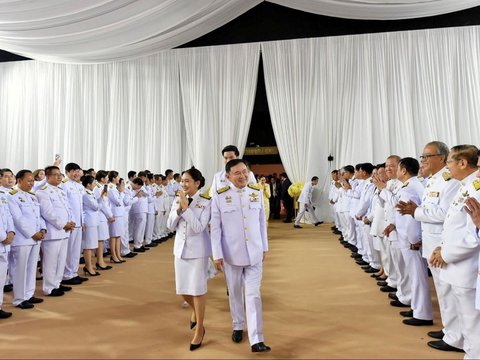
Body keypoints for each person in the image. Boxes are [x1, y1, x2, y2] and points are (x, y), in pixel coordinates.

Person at [396, 141, 463, 352]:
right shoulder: (434, 180)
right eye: (422, 156)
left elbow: (444, 214)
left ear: (441, 158)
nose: (423, 160)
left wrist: (415, 212)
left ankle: (455, 337)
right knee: (443, 292)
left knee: (449, 292)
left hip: (442, 245)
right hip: (431, 244)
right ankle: (449, 329)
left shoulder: (449, 182)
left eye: (427, 156)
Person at [210, 159, 271, 353]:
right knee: (235, 293)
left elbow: (262, 222)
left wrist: (264, 247)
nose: (243, 176)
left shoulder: (256, 192)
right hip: (231, 255)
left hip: (254, 253)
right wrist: (217, 254)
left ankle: (256, 339)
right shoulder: (220, 196)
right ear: (227, 176)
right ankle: (238, 324)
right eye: (237, 173)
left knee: (253, 295)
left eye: (245, 172)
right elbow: (215, 228)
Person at [430, 145, 480, 359]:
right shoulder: (466, 185)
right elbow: (455, 224)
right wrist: (442, 247)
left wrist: (446, 254)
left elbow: (473, 237)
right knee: (465, 321)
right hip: (458, 266)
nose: (446, 166)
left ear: (462, 163)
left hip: (466, 268)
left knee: (473, 324)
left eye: (449, 161)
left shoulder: (476, 188)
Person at [167, 167, 212, 351]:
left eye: (187, 181)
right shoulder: (178, 199)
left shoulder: (206, 202)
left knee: (198, 290)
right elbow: (170, 226)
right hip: (180, 250)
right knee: (183, 290)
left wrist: (186, 209)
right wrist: (179, 209)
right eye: (182, 181)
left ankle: (200, 329)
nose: (184, 184)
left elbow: (199, 227)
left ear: (197, 183)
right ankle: (195, 312)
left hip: (198, 251)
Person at [394, 157, 433, 326]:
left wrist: (414, 239)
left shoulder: (409, 189)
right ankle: (416, 307)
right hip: (408, 238)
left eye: (397, 168)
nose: (396, 171)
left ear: (403, 170)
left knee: (418, 277)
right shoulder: (411, 185)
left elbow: (411, 218)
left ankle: (422, 313)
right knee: (414, 275)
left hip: (410, 240)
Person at [8, 170, 46, 309]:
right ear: (19, 180)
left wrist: (43, 229)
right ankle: (19, 298)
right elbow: (18, 219)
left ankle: (29, 294)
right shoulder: (12, 196)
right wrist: (32, 233)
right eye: (29, 180)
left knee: (31, 268)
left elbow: (39, 215)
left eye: (32, 181)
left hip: (36, 238)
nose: (32, 183)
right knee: (20, 269)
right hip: (22, 239)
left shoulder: (32, 196)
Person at [36, 166, 75, 297]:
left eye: (60, 174)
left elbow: (68, 208)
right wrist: (64, 224)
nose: (59, 177)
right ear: (47, 177)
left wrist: (71, 221)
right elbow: (48, 213)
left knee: (61, 260)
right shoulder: (43, 192)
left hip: (65, 231)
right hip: (54, 232)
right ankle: (49, 287)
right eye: (56, 175)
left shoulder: (61, 190)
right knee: (51, 261)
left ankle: (57, 283)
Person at [60, 162, 87, 286]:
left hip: (79, 222)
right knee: (69, 250)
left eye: (77, 170)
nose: (76, 173)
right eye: (73, 171)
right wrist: (68, 221)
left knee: (76, 250)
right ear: (67, 173)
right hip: (70, 223)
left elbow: (81, 206)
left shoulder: (79, 186)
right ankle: (67, 275)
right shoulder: (64, 185)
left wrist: (83, 221)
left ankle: (74, 273)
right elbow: (65, 205)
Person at [80, 175, 100, 276]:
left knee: (91, 245)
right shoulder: (86, 194)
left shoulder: (89, 192)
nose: (95, 185)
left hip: (93, 221)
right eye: (93, 183)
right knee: (88, 245)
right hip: (89, 222)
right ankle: (88, 266)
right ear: (88, 184)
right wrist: (101, 199)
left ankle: (89, 265)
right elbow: (95, 206)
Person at [107, 171, 125, 263]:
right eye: (118, 177)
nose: (119, 178)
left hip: (119, 214)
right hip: (115, 214)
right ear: (113, 178)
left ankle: (118, 254)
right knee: (113, 236)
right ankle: (113, 255)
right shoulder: (111, 188)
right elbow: (118, 201)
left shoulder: (115, 188)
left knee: (118, 236)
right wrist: (121, 192)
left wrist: (120, 192)